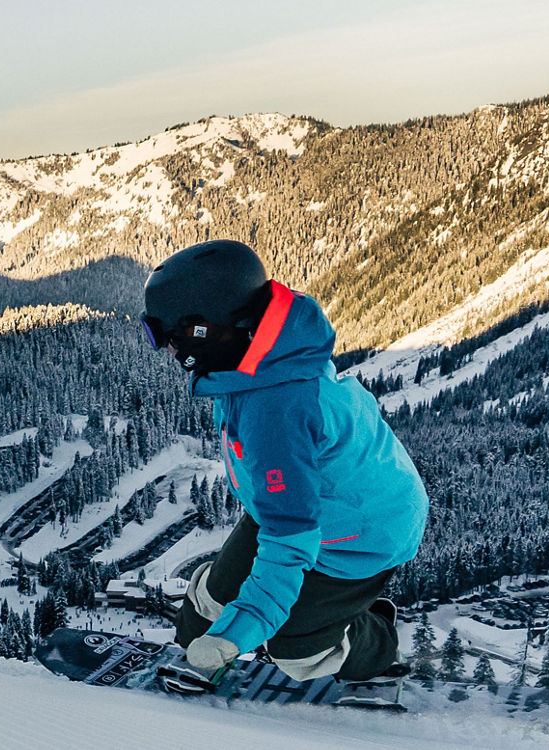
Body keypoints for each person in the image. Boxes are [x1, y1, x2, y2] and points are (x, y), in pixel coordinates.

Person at [136, 239, 429, 710]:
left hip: (360, 533)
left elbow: (288, 543)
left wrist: (233, 639)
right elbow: (283, 502)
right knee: (204, 615)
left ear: (210, 328)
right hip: (297, 507)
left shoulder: (279, 411)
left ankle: (374, 637)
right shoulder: (260, 357)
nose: (166, 348)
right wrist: (218, 633)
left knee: (296, 648)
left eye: (171, 334)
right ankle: (310, 616)